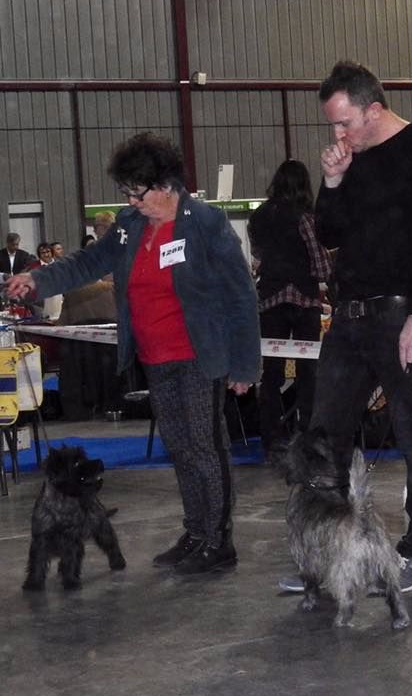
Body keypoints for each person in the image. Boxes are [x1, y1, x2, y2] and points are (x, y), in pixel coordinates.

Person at [5, 132, 261, 575]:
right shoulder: (129, 224)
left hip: (200, 356)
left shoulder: (205, 223)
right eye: (127, 192)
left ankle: (219, 541)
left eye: (137, 192)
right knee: (180, 448)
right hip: (155, 356)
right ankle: (197, 531)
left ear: (165, 185)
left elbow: (240, 295)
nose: (132, 200)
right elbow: (88, 262)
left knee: (206, 449)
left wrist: (244, 364)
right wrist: (38, 280)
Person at [281, 60, 412, 594]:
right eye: (332, 126)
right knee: (323, 438)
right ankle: (324, 557)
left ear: (374, 110)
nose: (338, 135)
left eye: (345, 124)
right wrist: (332, 181)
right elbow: (331, 233)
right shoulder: (348, 162)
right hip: (349, 318)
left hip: (401, 312)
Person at [248, 158, 331, 454]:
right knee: (309, 370)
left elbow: (257, 252)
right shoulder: (305, 216)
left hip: (270, 300)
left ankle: (272, 437)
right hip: (303, 299)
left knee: (271, 373)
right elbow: (321, 264)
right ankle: (307, 435)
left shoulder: (259, 215)